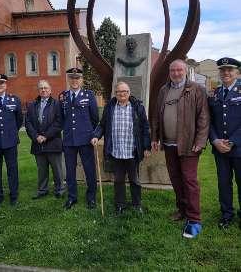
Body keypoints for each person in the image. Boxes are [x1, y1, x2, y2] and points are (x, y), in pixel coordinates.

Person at [151, 59, 209, 238]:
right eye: (173, 70)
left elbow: (203, 118)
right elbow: (156, 115)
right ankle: (182, 210)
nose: (176, 73)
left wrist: (200, 141)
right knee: (176, 179)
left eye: (179, 70)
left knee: (189, 181)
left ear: (185, 71)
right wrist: (155, 137)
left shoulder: (196, 90)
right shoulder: (164, 90)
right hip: (168, 145)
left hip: (189, 145)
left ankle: (194, 219)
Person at [91, 81, 151, 214]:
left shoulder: (137, 107)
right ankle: (120, 204)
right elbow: (102, 125)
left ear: (129, 93)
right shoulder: (110, 107)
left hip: (132, 151)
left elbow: (145, 128)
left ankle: (136, 204)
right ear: (115, 94)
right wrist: (96, 136)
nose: (122, 94)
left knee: (134, 180)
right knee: (118, 180)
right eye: (119, 92)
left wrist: (146, 147)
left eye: (125, 92)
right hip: (116, 152)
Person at [208, 57, 241, 229]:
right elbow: (209, 121)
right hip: (219, 149)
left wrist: (233, 141)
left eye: (229, 70)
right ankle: (227, 215)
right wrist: (214, 140)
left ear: (237, 72)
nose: (226, 73)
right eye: (223, 70)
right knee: (223, 183)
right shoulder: (215, 93)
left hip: (239, 148)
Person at [59, 68, 99, 210]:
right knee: (70, 171)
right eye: (72, 78)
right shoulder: (62, 96)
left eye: (77, 78)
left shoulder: (88, 95)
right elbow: (61, 118)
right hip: (69, 140)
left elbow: (95, 118)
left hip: (85, 140)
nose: (74, 81)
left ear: (81, 80)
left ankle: (91, 197)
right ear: (68, 80)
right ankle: (72, 197)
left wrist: (91, 134)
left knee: (89, 170)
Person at [25, 80, 65, 199]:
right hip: (38, 143)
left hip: (53, 142)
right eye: (41, 88)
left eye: (46, 88)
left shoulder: (57, 104)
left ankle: (60, 189)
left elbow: (59, 123)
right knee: (42, 169)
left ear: (50, 90)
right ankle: (42, 190)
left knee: (57, 169)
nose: (43, 90)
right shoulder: (32, 105)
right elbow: (28, 123)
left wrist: (46, 136)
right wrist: (36, 136)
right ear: (38, 90)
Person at [0, 73, 23, 206]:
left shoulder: (14, 100)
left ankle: (14, 196)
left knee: (12, 170)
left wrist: (11, 132)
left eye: (2, 83)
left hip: (10, 141)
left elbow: (19, 120)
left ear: (6, 85)